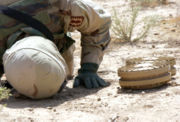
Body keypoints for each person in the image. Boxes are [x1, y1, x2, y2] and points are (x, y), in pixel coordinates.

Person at [0, 0, 111, 98]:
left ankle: (62, 36)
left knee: (63, 70)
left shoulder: (60, 6)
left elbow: (100, 23)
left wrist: (89, 67)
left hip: (54, 28)